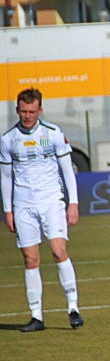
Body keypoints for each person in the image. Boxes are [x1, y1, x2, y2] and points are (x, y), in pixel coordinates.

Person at [1, 88, 82, 332]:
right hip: (23, 205)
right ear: (17, 110)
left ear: (40, 110)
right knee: (30, 258)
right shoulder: (8, 139)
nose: (27, 116)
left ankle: (73, 307)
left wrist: (73, 202)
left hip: (51, 202)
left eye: (32, 111)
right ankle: (36, 316)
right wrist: (8, 210)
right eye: (23, 111)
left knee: (58, 251)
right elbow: (5, 176)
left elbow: (67, 170)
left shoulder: (54, 133)